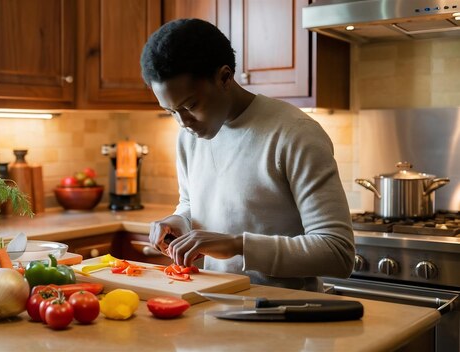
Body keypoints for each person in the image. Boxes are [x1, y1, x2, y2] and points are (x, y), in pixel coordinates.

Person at [140, 18, 354, 292]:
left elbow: (337, 252)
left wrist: (236, 245)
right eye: (171, 112)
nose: (182, 122)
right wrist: (177, 221)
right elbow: (193, 204)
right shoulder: (188, 138)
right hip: (214, 310)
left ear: (225, 77)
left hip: (287, 317)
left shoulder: (295, 133)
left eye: (190, 105)